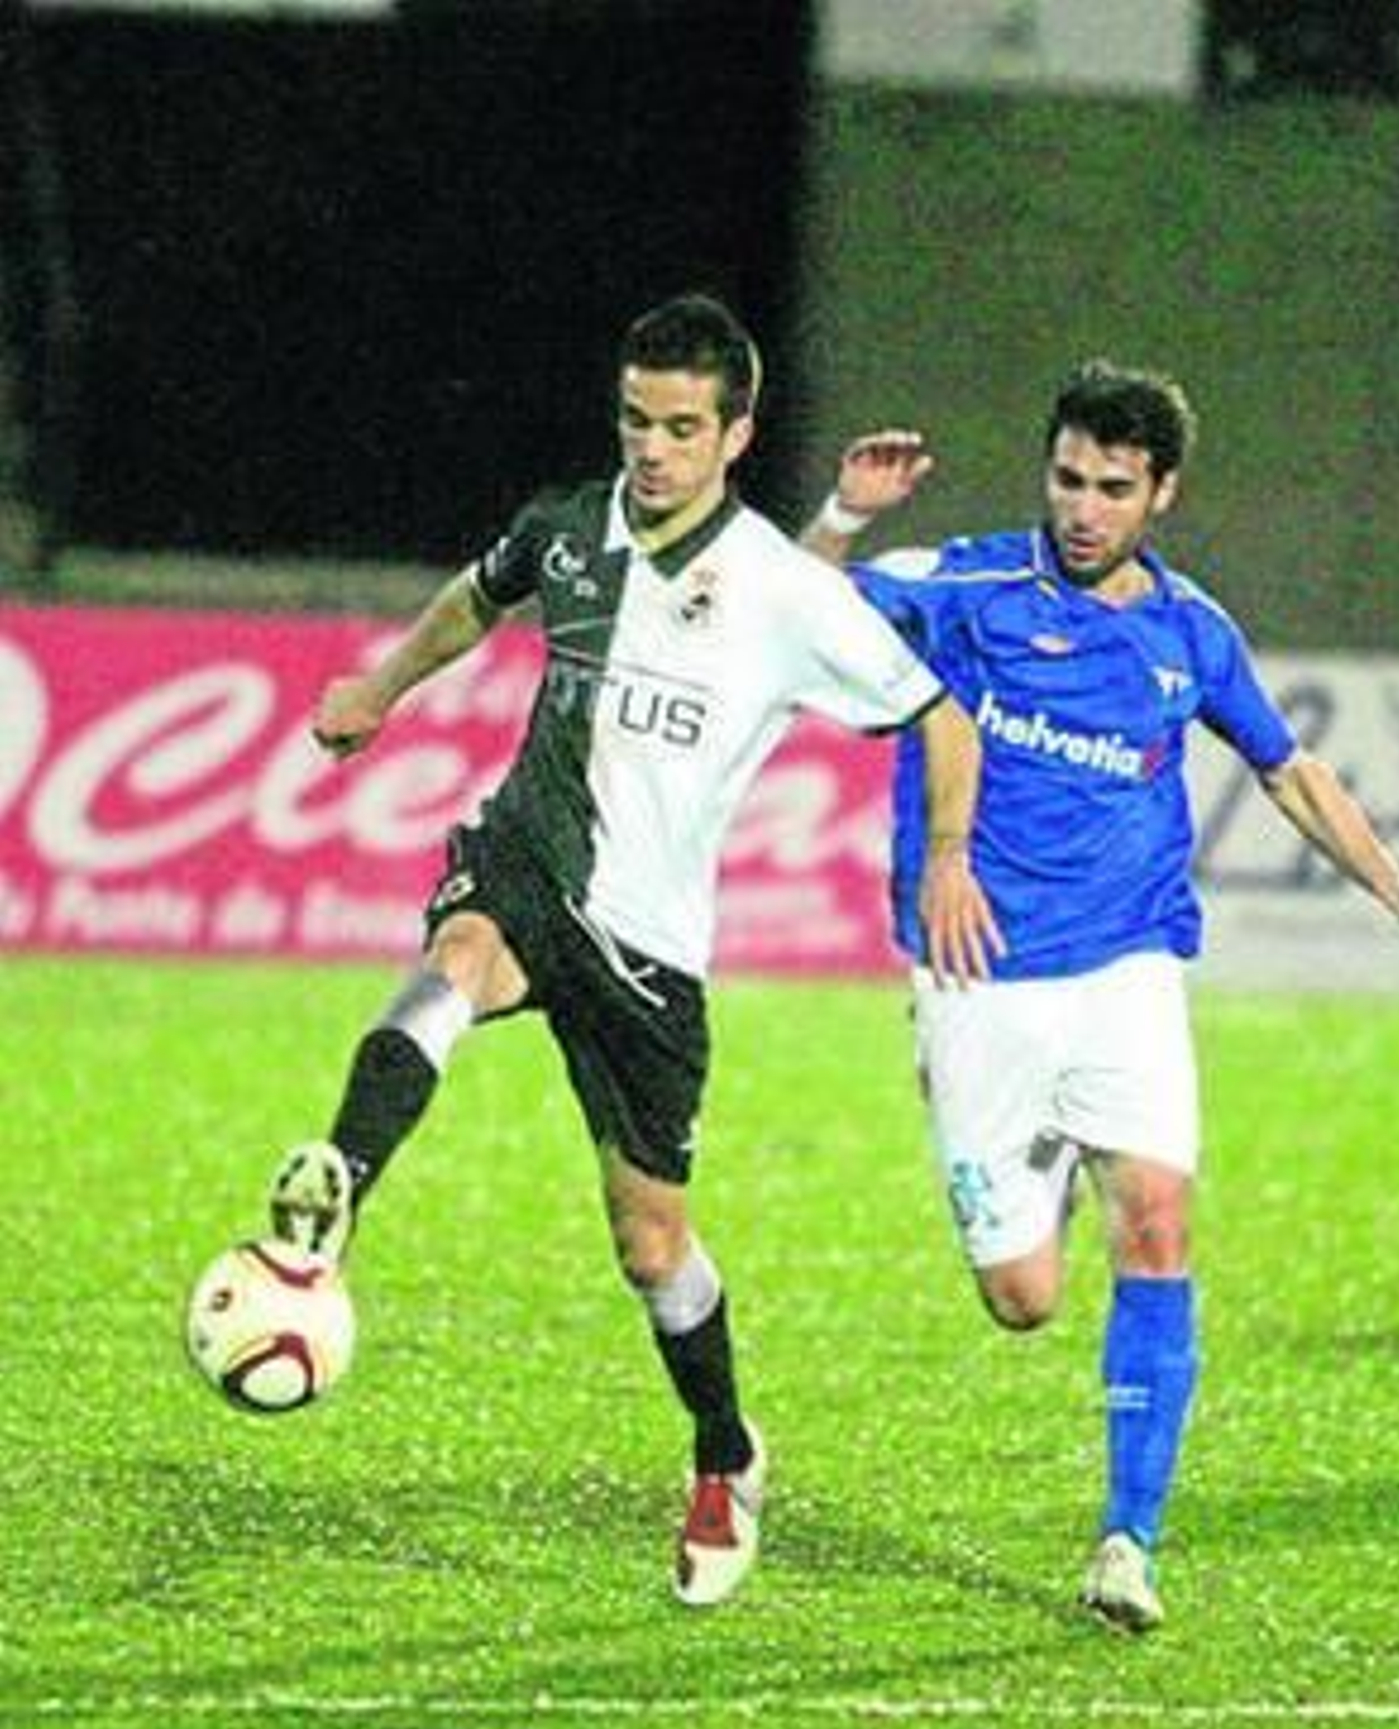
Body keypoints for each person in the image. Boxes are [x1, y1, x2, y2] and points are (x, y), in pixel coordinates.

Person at [266, 293, 995, 1609]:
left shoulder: (782, 590)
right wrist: (380, 688)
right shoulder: (567, 528)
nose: (649, 450)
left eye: (678, 428)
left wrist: (946, 852)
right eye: (633, 420)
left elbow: (943, 720)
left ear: (734, 434)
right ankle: (328, 1212)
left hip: (651, 955)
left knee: (652, 1245)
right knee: (454, 960)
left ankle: (724, 1451)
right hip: (526, 860)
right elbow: (471, 600)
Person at [802, 362, 1399, 1632]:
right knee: (1021, 1299)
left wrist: (1397, 890)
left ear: (1161, 494)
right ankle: (1027, 1155)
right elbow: (789, 622)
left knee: (1158, 1222)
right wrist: (847, 520)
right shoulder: (962, 585)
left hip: (1128, 965)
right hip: (980, 977)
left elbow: (1289, 770)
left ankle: (1127, 1540)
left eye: (1112, 488)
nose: (1083, 508)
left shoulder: (1190, 632)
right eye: (1067, 479)